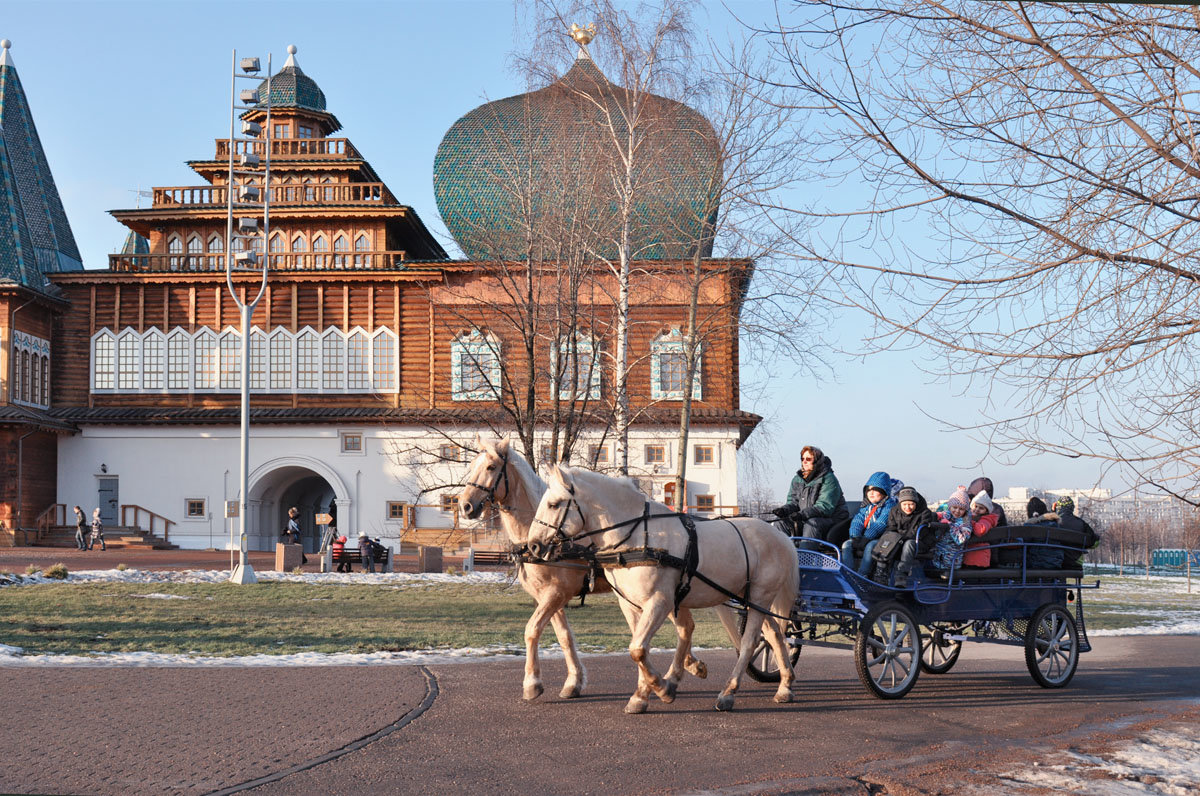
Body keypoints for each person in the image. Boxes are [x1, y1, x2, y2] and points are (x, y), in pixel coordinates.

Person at [772, 445, 849, 550]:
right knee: (780, 522)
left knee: (812, 523)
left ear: (817, 461)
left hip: (831, 520)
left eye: (808, 459)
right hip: (806, 517)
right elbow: (794, 502)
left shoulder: (829, 479)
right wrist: (784, 510)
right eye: (802, 459)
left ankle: (805, 559)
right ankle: (784, 556)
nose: (804, 461)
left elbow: (824, 507)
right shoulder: (797, 479)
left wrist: (802, 514)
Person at [871, 486, 939, 587]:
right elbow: (891, 528)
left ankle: (901, 575)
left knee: (909, 544)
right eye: (905, 504)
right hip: (899, 539)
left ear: (915, 503)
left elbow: (921, 531)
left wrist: (901, 539)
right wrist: (893, 540)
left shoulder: (925, 513)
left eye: (911, 504)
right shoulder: (894, 511)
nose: (908, 507)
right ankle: (881, 574)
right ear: (900, 504)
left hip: (919, 541)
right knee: (886, 543)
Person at [841, 471, 902, 575]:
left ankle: (862, 573)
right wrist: (855, 536)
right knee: (846, 545)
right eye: (868, 490)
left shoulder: (889, 506)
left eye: (875, 490)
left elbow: (880, 524)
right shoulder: (866, 506)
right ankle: (848, 572)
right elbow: (858, 520)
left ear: (884, 491)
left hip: (880, 538)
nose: (871, 493)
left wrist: (866, 537)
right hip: (863, 537)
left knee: (870, 547)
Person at [933, 487, 974, 572]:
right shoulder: (947, 516)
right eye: (954, 507)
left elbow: (961, 539)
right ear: (950, 507)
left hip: (951, 562)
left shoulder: (965, 522)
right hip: (938, 557)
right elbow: (943, 516)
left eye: (961, 509)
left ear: (965, 510)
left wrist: (949, 525)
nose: (957, 511)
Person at [1052, 496, 1099, 569]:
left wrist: (1053, 512)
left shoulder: (1052, 523)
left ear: (1058, 507)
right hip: (1075, 564)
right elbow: (1094, 543)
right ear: (1072, 508)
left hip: (1055, 562)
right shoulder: (1081, 523)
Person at [963, 490, 999, 567]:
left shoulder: (987, 519)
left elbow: (980, 530)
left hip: (978, 559)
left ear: (987, 511)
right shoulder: (972, 517)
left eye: (981, 508)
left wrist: (969, 521)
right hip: (971, 556)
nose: (977, 509)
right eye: (975, 506)